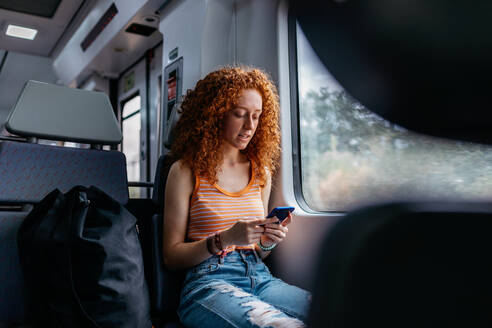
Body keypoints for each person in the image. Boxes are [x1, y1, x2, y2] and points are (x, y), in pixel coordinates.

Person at [163, 67, 311, 328]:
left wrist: (267, 242)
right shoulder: (185, 171)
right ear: (215, 114)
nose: (250, 126)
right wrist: (225, 239)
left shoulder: (260, 171)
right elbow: (171, 256)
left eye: (256, 116)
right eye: (239, 114)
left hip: (260, 277)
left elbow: (258, 252)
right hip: (208, 282)